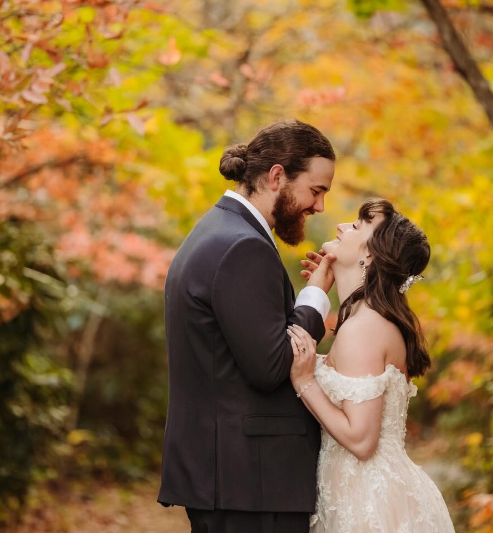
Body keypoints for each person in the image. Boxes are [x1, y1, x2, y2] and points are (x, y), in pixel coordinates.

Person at [157, 119, 337, 533]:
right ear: (277, 177)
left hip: (230, 478)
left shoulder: (217, 230)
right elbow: (271, 366)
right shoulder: (243, 246)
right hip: (249, 482)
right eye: (316, 190)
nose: (319, 206)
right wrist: (317, 292)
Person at [288, 198, 456, 532]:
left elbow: (362, 441)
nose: (341, 226)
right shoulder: (369, 321)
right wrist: (318, 291)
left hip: (367, 504)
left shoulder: (364, 329)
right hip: (364, 493)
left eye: (357, 225)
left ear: (372, 255)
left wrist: (305, 380)